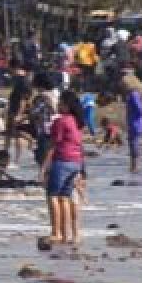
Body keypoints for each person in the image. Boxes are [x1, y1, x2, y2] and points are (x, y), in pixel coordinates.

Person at [39, 90, 86, 245]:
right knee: (65, 197)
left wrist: (44, 167)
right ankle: (65, 234)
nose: (58, 105)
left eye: (61, 103)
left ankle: (56, 232)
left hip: (63, 161)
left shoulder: (62, 121)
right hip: (76, 162)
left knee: (52, 196)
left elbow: (53, 145)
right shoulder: (76, 121)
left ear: (67, 105)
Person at [122, 73, 142, 173]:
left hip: (135, 122)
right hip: (135, 121)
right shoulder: (135, 94)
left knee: (134, 144)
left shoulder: (133, 94)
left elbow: (139, 109)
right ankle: (133, 166)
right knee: (134, 143)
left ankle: (134, 167)